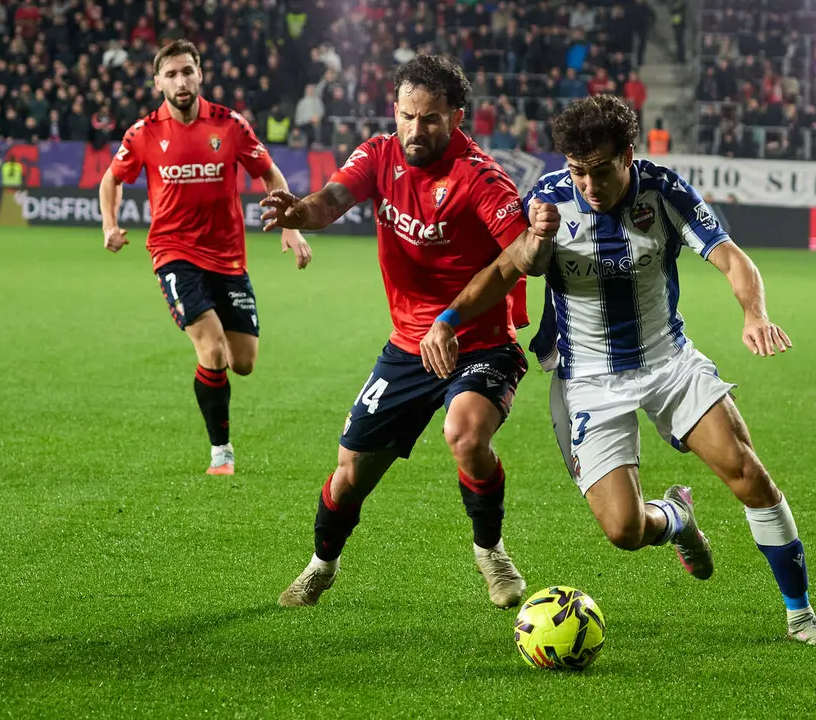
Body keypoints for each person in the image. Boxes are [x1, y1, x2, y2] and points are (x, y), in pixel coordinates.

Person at [420, 94, 816, 647]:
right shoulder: (547, 201)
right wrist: (452, 316)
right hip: (587, 380)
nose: (589, 186)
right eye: (578, 172)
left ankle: (802, 615)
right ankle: (677, 518)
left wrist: (754, 313)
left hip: (669, 361)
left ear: (628, 154)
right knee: (623, 530)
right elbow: (509, 268)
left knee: (747, 473)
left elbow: (730, 255)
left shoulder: (663, 191)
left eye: (600, 171)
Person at [261, 55, 558, 609]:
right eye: (405, 116)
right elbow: (332, 200)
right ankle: (321, 565)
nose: (415, 130)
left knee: (465, 434)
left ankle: (491, 551)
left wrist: (539, 242)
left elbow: (521, 257)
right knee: (350, 474)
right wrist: (298, 212)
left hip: (480, 342)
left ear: (456, 117)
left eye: (429, 119)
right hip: (406, 349)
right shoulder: (378, 154)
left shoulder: (480, 177)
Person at [99, 39, 313, 475]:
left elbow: (268, 171)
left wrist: (290, 223)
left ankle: (215, 399)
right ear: (158, 82)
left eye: (187, 71)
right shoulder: (143, 133)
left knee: (244, 363)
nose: (181, 81)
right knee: (212, 350)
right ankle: (222, 452)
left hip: (229, 257)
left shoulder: (229, 125)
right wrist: (109, 223)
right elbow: (111, 179)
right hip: (173, 253)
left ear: (200, 75)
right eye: (172, 74)